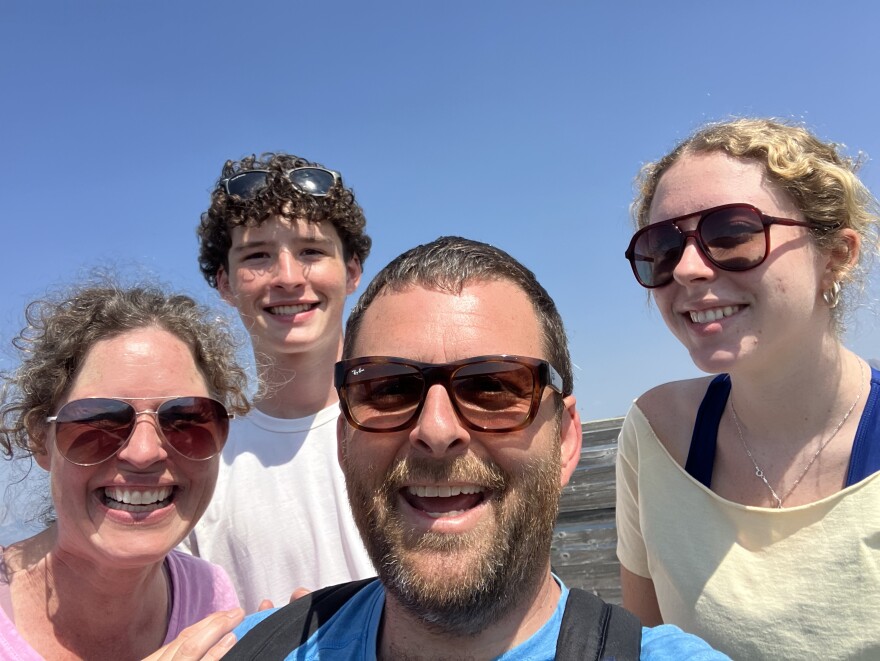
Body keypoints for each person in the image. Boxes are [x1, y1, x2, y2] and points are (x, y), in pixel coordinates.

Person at [227, 237, 727, 660]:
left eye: (493, 387)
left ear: (567, 440)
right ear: (343, 441)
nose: (437, 429)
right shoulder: (247, 650)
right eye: (387, 389)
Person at [618, 118, 880, 659]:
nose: (688, 268)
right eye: (663, 248)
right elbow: (649, 644)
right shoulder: (657, 434)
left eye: (732, 234)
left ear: (836, 255)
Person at [0, 282, 250, 660]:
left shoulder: (210, 594)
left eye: (186, 421)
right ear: (40, 441)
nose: (144, 452)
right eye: (99, 423)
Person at [183, 153, 375, 611]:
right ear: (225, 285)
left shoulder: (417, 423)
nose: (288, 277)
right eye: (258, 256)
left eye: (311, 251)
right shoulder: (196, 462)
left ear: (351, 273)